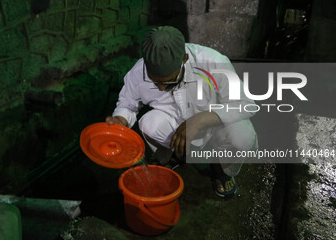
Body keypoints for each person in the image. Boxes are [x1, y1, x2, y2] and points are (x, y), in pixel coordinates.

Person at [106, 26, 258, 198]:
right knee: (148, 123)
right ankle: (174, 157)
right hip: (174, 123)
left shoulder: (212, 61)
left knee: (243, 136)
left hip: (214, 125)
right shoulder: (138, 71)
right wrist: (121, 119)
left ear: (184, 59)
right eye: (156, 83)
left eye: (169, 81)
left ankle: (221, 169)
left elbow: (246, 104)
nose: (161, 87)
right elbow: (127, 103)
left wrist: (199, 120)